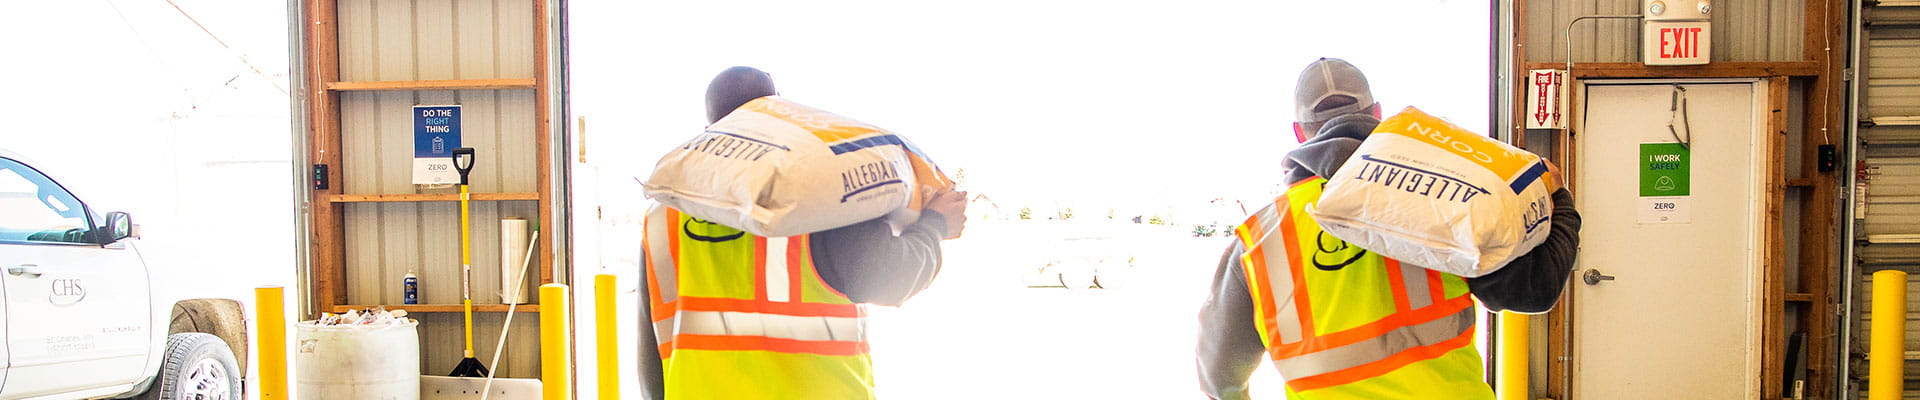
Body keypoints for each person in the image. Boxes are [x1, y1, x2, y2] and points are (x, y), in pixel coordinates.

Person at [1195, 58, 1584, 399]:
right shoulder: (1443, 195)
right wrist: (1560, 198)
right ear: (1377, 113)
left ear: (1299, 132)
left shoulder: (1259, 241)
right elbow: (1530, 292)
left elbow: (1220, 376)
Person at [636, 66, 970, 399]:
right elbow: (889, 278)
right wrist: (935, 225)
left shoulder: (662, 214)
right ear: (778, 113)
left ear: (711, 129)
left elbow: (650, 355)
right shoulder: (822, 190)